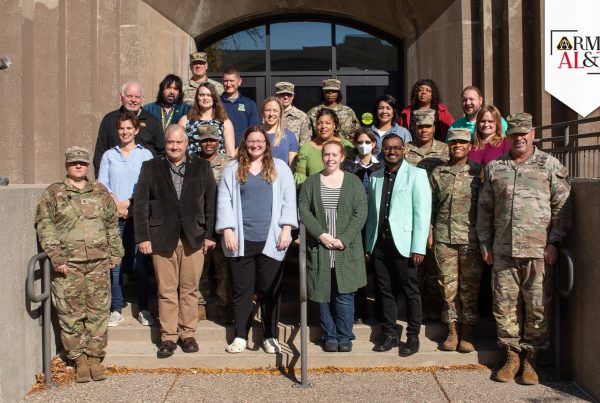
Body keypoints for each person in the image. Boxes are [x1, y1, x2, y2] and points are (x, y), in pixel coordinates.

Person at [477, 113, 571, 385]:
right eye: (514, 134)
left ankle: (531, 360)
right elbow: (484, 209)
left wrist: (555, 241)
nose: (519, 138)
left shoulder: (549, 165)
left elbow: (562, 207)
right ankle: (511, 356)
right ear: (507, 137)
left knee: (538, 307)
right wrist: (485, 243)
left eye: (523, 133)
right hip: (503, 251)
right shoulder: (496, 167)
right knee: (504, 308)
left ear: (533, 135)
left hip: (538, 251)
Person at [35, 146, 124, 383]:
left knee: (98, 312)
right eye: (74, 162)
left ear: (88, 167)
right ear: (67, 165)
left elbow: (111, 224)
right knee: (69, 313)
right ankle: (79, 359)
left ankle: (94, 357)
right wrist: (57, 257)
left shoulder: (100, 192)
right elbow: (46, 226)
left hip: (98, 263)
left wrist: (116, 254)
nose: (78, 166)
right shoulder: (53, 194)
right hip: (69, 265)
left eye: (82, 163)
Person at [134, 124, 217, 359]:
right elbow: (140, 205)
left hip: (194, 238)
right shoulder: (151, 167)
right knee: (166, 290)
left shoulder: (202, 167)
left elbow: (211, 203)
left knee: (190, 290)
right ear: (165, 143)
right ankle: (168, 337)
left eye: (179, 142)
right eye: (170, 142)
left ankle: (188, 333)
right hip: (161, 238)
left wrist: (210, 235)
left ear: (187, 143)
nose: (174, 146)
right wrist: (143, 237)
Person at [216, 126, 297, 354]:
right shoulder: (232, 169)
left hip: (271, 239)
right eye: (251, 140)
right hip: (241, 240)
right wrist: (228, 230)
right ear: (245, 142)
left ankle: (270, 336)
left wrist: (286, 229)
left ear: (266, 144)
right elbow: (224, 201)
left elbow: (288, 200)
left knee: (269, 290)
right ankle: (241, 335)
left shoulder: (280, 168)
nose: (255, 145)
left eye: (260, 141)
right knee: (242, 291)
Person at [366, 134, 431, 356]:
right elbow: (373, 216)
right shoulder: (375, 177)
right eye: (387, 148)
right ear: (381, 151)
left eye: (396, 148)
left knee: (410, 291)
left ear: (403, 150)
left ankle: (413, 337)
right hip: (381, 244)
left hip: (405, 244)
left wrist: (418, 247)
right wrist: (369, 245)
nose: (391, 151)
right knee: (385, 291)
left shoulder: (416, 175)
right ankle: (390, 334)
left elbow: (422, 213)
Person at [299, 141, 367, 353]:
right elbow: (303, 209)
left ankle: (344, 335)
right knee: (322, 293)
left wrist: (343, 238)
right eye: (326, 155)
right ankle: (329, 335)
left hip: (344, 247)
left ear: (341, 157)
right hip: (320, 247)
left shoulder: (353, 182)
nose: (330, 158)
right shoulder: (311, 183)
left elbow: (360, 212)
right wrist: (321, 235)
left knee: (344, 294)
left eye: (334, 155)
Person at [430, 128, 484, 353]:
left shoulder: (480, 173)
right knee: (447, 285)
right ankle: (452, 330)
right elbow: (429, 206)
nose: (458, 146)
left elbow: (487, 207)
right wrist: (430, 232)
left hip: (471, 239)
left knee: (469, 287)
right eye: (453, 143)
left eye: (462, 142)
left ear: (470, 145)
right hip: (444, 237)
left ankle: (468, 332)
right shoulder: (438, 173)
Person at [98, 112, 154, 327]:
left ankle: (143, 308)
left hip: (138, 216)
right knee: (115, 264)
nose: (125, 132)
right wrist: (117, 204)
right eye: (121, 128)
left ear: (136, 130)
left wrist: (129, 204)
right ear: (117, 130)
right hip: (114, 217)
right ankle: (116, 308)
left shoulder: (145, 155)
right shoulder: (108, 156)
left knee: (139, 264)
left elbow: (146, 185)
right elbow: (102, 184)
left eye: (129, 128)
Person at [404, 108, 449, 321]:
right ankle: (417, 309)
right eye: (420, 126)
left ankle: (434, 307)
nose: (424, 130)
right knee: (415, 264)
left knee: (435, 265)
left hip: (440, 212)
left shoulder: (445, 150)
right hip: (411, 213)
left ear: (434, 128)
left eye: (428, 126)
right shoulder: (405, 150)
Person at [341, 127, 383, 323]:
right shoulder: (348, 167)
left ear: (374, 144)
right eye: (360, 142)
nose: (363, 145)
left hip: (376, 223)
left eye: (367, 142)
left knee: (379, 269)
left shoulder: (381, 166)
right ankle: (359, 311)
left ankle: (381, 312)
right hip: (354, 223)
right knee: (357, 268)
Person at [197, 124, 234, 325]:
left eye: (211, 140)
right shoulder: (192, 162)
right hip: (199, 223)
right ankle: (200, 305)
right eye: (204, 140)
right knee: (200, 267)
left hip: (222, 223)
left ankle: (224, 305)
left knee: (223, 268)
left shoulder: (229, 163)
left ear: (218, 142)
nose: (208, 144)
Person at [93, 81, 164, 177]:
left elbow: (162, 152)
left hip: (146, 180)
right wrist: (101, 183)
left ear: (142, 99)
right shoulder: (110, 120)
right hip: (115, 180)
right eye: (129, 96)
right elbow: (100, 151)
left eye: (137, 97)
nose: (133, 100)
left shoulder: (152, 121)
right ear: (121, 96)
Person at [294, 108, 355, 187]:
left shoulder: (346, 145)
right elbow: (300, 180)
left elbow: (352, 173)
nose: (323, 126)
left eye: (327, 123)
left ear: (334, 125)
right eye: (319, 123)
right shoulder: (306, 148)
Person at [179, 82, 235, 157]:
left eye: (209, 95)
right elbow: (179, 147)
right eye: (202, 95)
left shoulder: (224, 121)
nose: (205, 98)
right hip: (192, 165)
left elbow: (230, 152)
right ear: (197, 98)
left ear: (214, 98)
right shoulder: (185, 120)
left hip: (217, 166)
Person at [221, 66, 261, 146]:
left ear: (239, 81)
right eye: (226, 81)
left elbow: (254, 130)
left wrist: (241, 148)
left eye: (232, 81)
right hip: (221, 151)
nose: (228, 84)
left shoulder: (249, 104)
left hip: (243, 150)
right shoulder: (216, 103)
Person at [261, 96, 299, 166]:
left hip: (281, 176)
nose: (271, 114)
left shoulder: (289, 136)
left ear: (280, 113)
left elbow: (292, 166)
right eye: (267, 110)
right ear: (262, 112)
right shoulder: (254, 134)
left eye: (275, 110)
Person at [275, 81, 311, 146]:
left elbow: (305, 144)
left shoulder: (302, 116)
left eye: (289, 94)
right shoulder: (271, 115)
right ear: (277, 96)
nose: (285, 97)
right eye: (282, 94)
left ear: (293, 96)